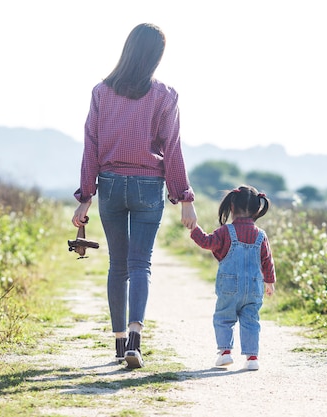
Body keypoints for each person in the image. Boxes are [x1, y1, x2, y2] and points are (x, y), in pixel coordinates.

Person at [72, 23, 197, 369]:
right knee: (141, 264)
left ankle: (116, 343)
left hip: (110, 184)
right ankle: (135, 339)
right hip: (147, 186)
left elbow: (91, 146)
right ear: (156, 57)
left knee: (118, 265)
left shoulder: (101, 92)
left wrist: (85, 196)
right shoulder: (166, 96)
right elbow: (172, 150)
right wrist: (184, 197)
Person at [188, 185, 275, 371]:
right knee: (251, 321)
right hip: (254, 288)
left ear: (232, 207)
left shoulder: (225, 232)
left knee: (223, 318)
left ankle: (225, 353)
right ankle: (252, 358)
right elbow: (267, 260)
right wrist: (270, 282)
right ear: (257, 209)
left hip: (229, 287)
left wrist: (195, 228)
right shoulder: (261, 235)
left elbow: (207, 242)